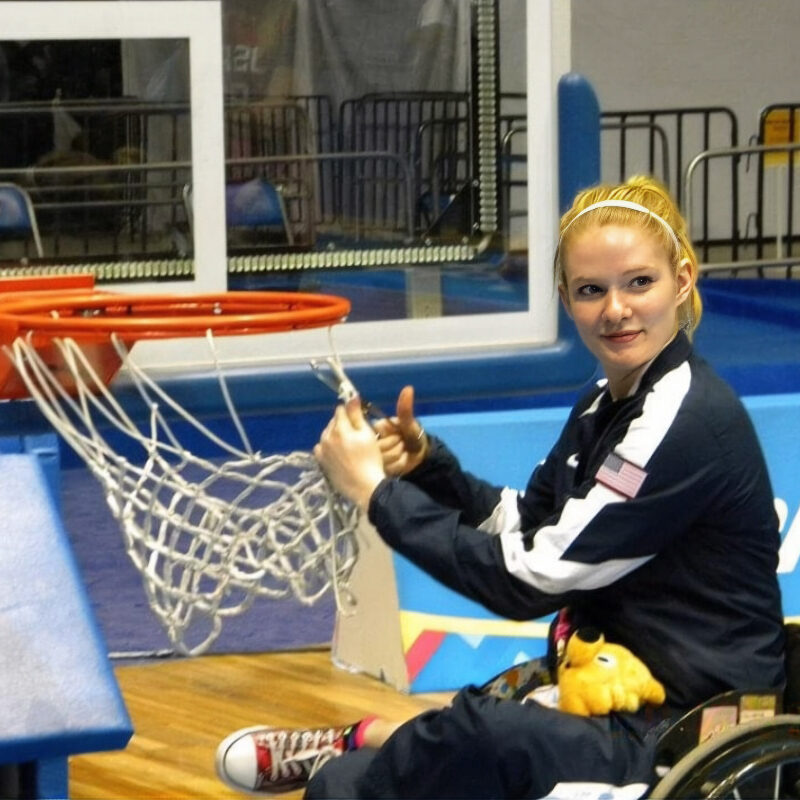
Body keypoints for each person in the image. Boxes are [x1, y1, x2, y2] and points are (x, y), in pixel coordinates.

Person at [215, 176, 786, 798]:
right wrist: (430, 469)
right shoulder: (604, 400)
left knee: (426, 754)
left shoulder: (687, 417)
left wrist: (375, 493)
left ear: (683, 279)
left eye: (638, 283)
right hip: (605, 697)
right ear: (567, 299)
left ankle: (378, 737)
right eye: (592, 290)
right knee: (358, 781)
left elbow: (528, 579)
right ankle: (372, 743)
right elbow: (530, 523)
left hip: (688, 735)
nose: (616, 309)